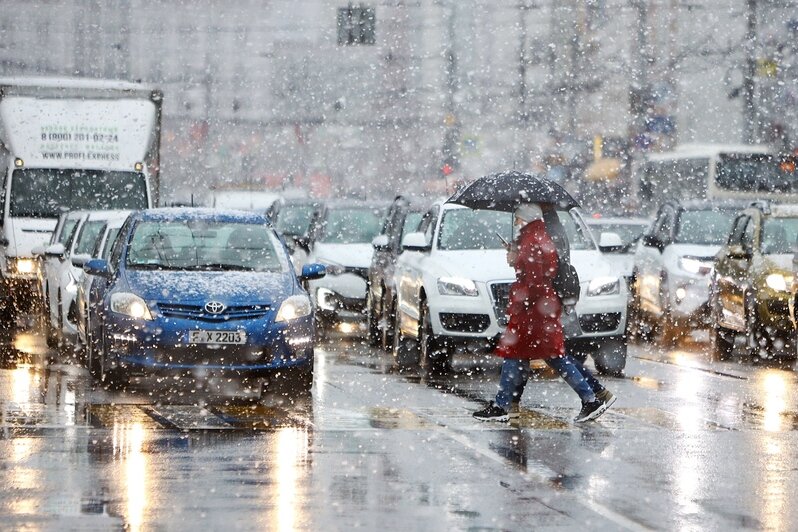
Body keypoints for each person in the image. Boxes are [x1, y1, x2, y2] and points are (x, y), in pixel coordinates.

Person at [473, 202, 616, 423]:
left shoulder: (532, 241)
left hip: (534, 310)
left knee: (549, 355)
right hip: (539, 308)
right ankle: (504, 404)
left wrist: (517, 275)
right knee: (524, 354)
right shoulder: (537, 237)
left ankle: (590, 399)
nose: (516, 222)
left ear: (527, 218)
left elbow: (534, 281)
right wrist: (515, 255)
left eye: (518, 218)